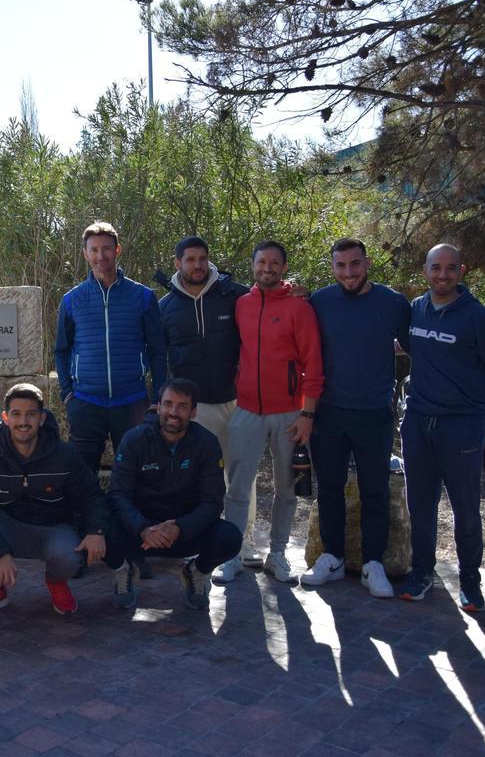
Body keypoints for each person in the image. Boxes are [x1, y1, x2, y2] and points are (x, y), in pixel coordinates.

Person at [398, 244, 485, 610]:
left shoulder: (479, 318)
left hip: (461, 428)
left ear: (461, 271)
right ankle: (422, 573)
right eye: (436, 267)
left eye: (450, 268)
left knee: (465, 509)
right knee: (420, 506)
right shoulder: (416, 309)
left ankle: (469, 580)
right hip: (418, 422)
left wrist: (471, 402)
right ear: (425, 271)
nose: (443, 274)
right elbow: (406, 348)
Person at [300, 238, 410, 598]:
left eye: (355, 264)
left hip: (374, 414)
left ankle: (373, 563)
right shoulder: (320, 301)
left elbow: (419, 349)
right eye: (341, 265)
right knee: (329, 487)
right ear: (332, 267)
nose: (348, 272)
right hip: (328, 413)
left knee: (374, 489)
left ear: (368, 263)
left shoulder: (393, 303)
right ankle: (332, 558)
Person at [219, 240, 323, 583]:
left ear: (284, 267)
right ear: (253, 265)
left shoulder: (299, 308)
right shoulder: (241, 304)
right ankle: (232, 553)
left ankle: (277, 554)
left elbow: (314, 365)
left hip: (290, 413)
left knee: (287, 488)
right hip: (247, 409)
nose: (267, 268)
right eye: (261, 262)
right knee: (237, 487)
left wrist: (307, 415)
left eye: (274, 263)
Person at [0, 383, 111, 617]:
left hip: (51, 528)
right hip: (6, 526)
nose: (23, 422)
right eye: (16, 414)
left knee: (69, 556)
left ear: (42, 418)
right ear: (5, 417)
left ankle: (56, 581)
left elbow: (92, 495)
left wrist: (96, 531)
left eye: (31, 414)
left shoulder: (64, 455)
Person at [107, 379, 243, 610]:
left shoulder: (207, 443)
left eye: (182, 406)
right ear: (158, 407)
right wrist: (143, 528)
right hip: (141, 532)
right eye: (168, 404)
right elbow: (118, 494)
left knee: (230, 538)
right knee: (98, 528)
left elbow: (212, 502)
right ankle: (124, 570)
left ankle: (196, 572)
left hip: (185, 532)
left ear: (193, 412)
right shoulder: (134, 440)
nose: (173, 412)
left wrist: (180, 527)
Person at [55, 221, 165, 474]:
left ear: (117, 250)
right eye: (93, 250)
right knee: (82, 478)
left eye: (106, 248)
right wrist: (68, 394)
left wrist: (157, 398)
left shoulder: (143, 296)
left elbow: (157, 350)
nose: (100, 256)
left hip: (132, 402)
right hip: (85, 402)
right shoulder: (72, 300)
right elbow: (61, 350)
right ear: (85, 254)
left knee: (137, 474)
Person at [154, 236, 249, 479]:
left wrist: (294, 291)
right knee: (196, 475)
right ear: (178, 263)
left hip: (234, 401)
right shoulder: (164, 308)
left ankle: (239, 509)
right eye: (190, 260)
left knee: (239, 473)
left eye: (202, 259)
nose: (197, 265)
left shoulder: (235, 296)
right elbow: (157, 356)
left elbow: (268, 301)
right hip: (191, 406)